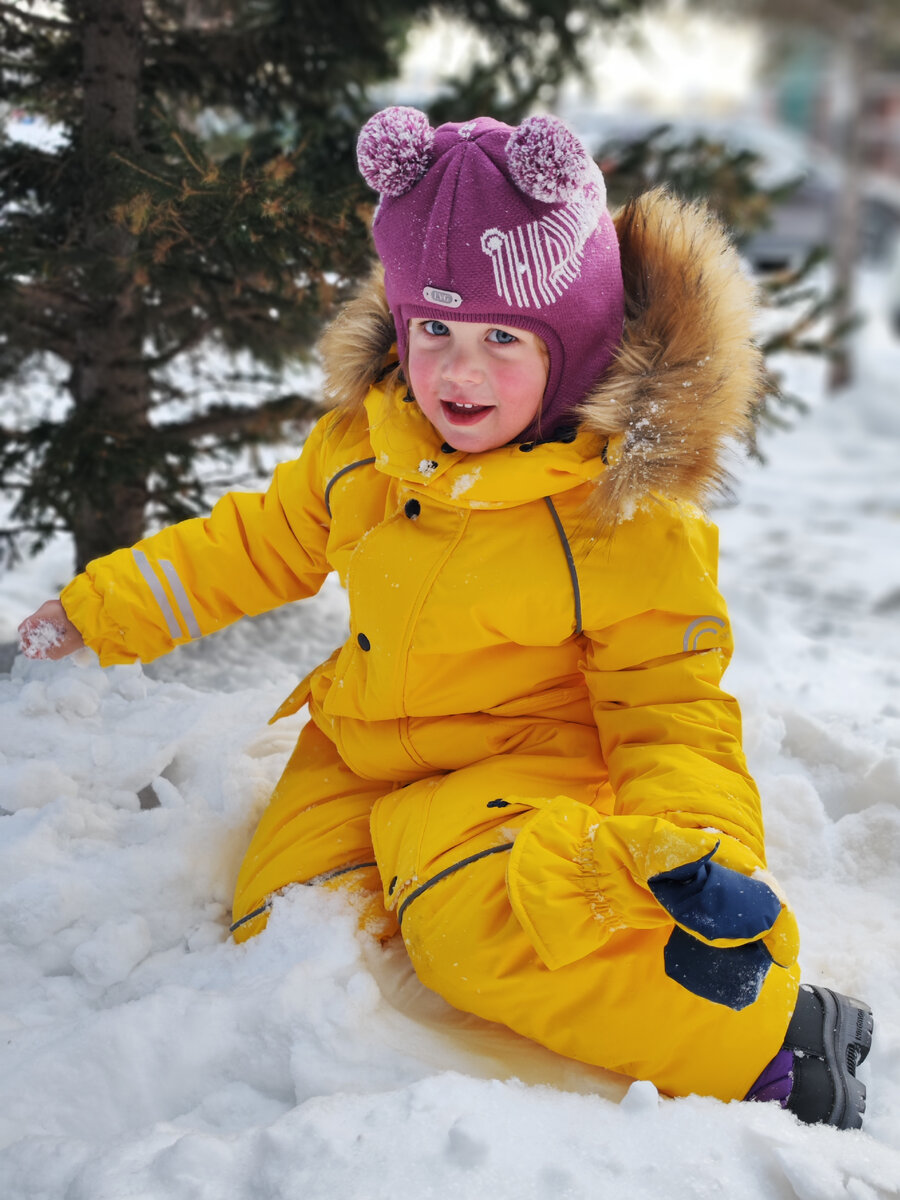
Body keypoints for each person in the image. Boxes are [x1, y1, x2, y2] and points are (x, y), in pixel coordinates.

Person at [18, 108, 873, 1128]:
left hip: (528, 762)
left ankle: (773, 1036)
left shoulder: (620, 519)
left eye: (503, 339)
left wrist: (701, 843)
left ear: (578, 342)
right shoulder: (365, 448)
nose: (458, 373)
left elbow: (671, 705)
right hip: (368, 750)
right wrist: (93, 611)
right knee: (286, 922)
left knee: (483, 918)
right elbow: (250, 545)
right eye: (435, 331)